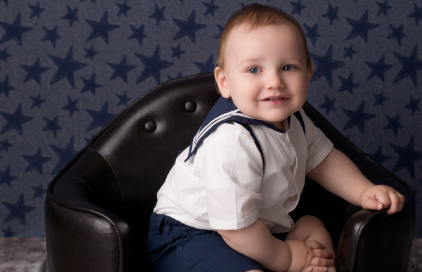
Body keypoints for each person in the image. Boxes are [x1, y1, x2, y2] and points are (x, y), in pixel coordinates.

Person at [146, 4, 405, 272]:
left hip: (257, 229)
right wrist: (287, 257)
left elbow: (323, 160)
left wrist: (363, 190)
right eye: (254, 70)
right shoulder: (232, 142)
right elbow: (234, 229)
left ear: (308, 74)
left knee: (312, 228)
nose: (274, 81)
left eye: (288, 67)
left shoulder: (297, 120)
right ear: (224, 82)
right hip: (193, 236)